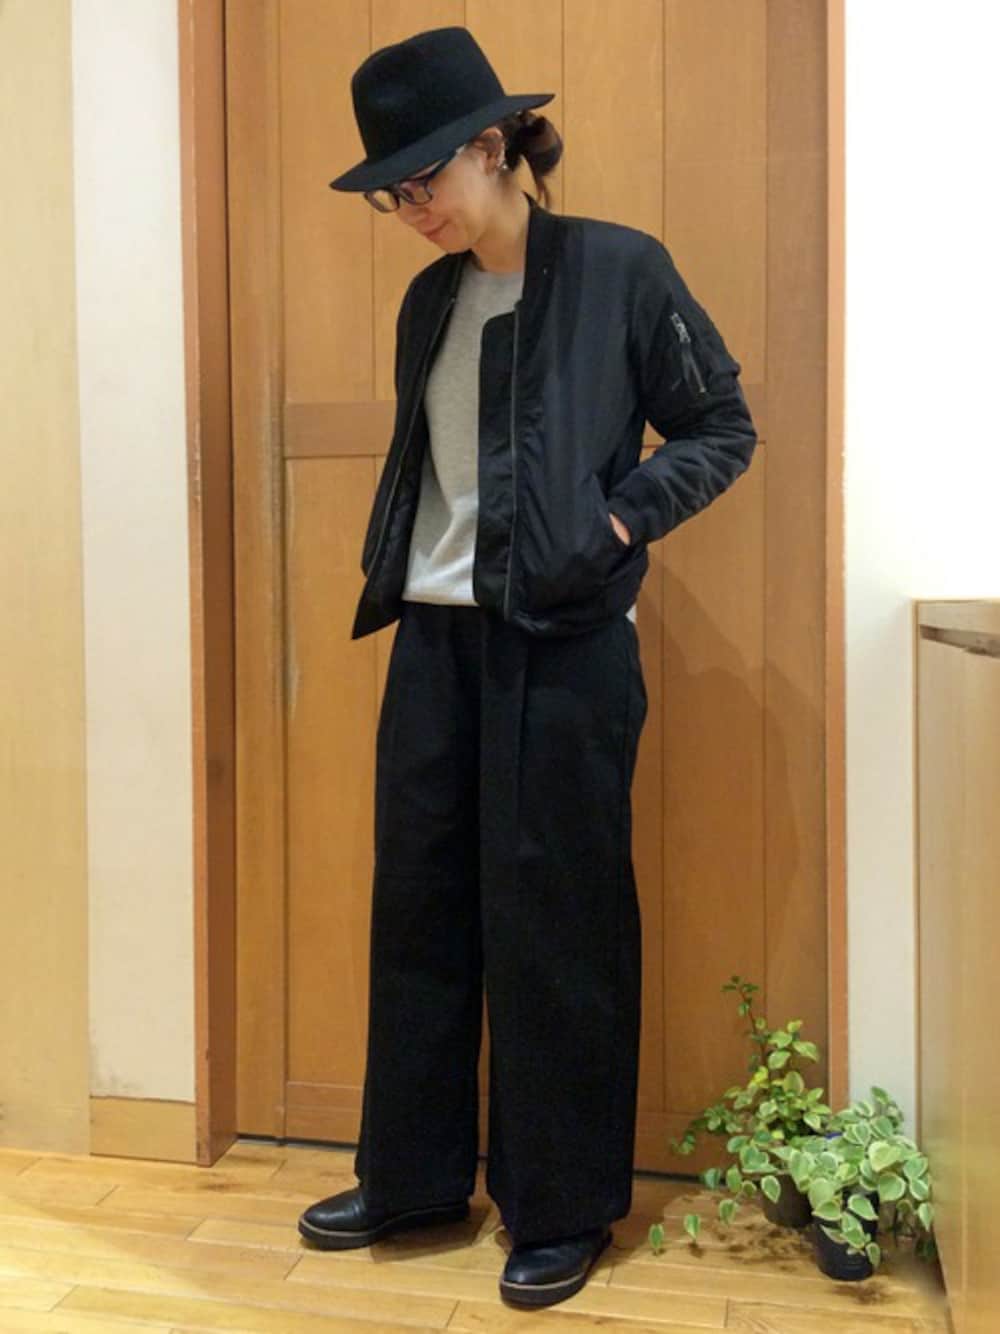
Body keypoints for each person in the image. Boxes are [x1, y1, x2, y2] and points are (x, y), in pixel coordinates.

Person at [297, 26, 758, 1309]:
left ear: (494, 147)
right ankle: (412, 1175)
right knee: (421, 911)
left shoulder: (618, 270)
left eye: (423, 180)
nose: (409, 210)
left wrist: (614, 521)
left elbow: (720, 424)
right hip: (434, 634)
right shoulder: (428, 301)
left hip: (563, 643)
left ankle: (560, 1204)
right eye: (389, 193)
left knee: (558, 923)